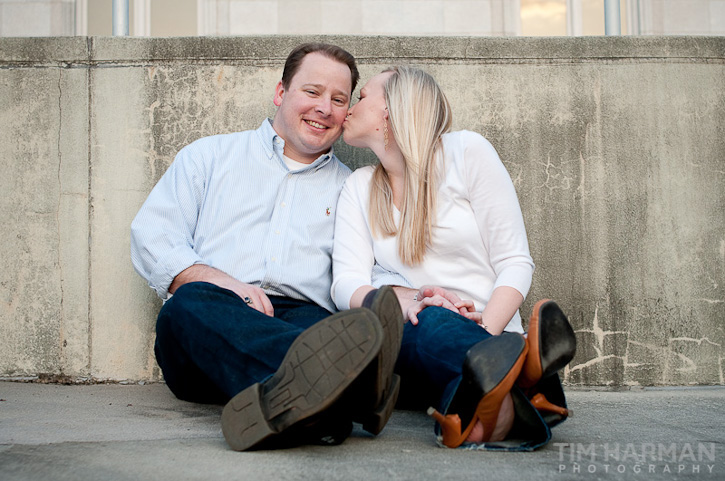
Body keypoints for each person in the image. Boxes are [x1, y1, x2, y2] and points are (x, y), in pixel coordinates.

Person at [130, 43, 404, 452]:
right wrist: (222, 283)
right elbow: (153, 235)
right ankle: (347, 388)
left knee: (340, 334)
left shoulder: (353, 188)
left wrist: (410, 294)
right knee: (187, 305)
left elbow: (371, 268)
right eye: (312, 92)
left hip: (302, 322)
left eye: (339, 99)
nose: (324, 108)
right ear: (280, 93)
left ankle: (306, 405)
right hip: (212, 320)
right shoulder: (209, 157)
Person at [331, 66, 577, 450]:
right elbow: (345, 284)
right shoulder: (358, 186)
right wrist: (411, 296)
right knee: (423, 315)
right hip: (416, 344)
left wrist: (485, 333)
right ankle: (529, 382)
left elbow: (515, 261)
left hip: (490, 331)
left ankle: (493, 404)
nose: (348, 106)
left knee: (441, 329)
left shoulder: (466, 152)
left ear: (391, 110)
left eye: (362, 97)